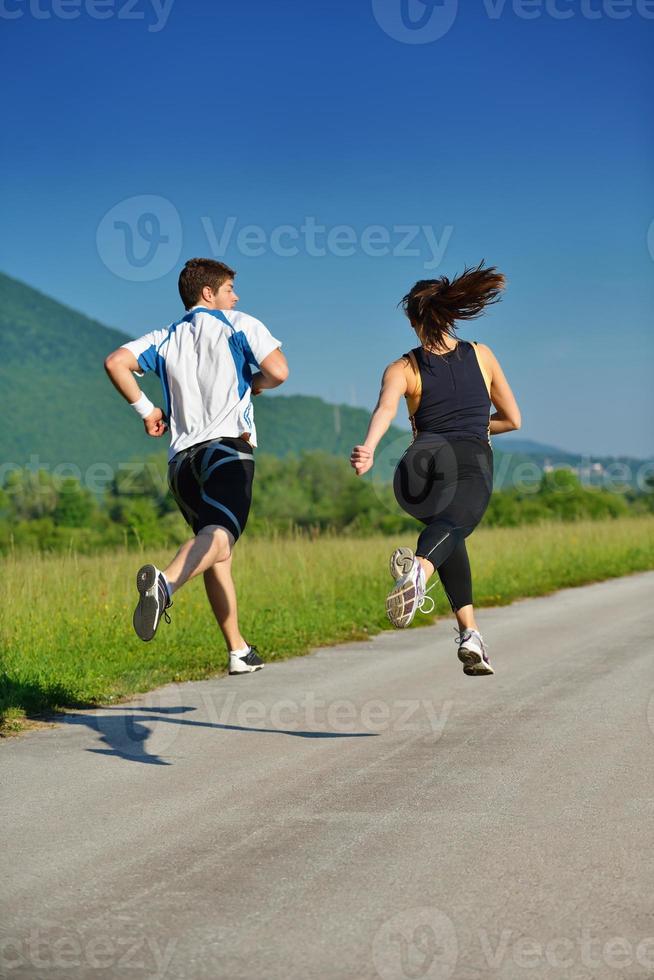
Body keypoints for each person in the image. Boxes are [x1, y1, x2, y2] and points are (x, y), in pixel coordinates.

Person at [104, 258, 288, 675]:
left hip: (181, 465)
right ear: (209, 293)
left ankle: (238, 649)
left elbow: (115, 361)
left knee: (213, 550)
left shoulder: (165, 337)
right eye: (229, 289)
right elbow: (279, 371)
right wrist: (257, 383)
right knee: (219, 540)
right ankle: (165, 583)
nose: (235, 297)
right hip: (226, 451)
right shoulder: (237, 322)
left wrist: (147, 410)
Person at [350, 262, 521, 676]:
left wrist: (369, 449)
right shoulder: (482, 355)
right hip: (466, 462)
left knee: (449, 532)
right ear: (452, 314)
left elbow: (385, 409)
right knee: (451, 529)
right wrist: (476, 426)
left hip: (414, 472)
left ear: (413, 321)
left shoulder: (402, 368)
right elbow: (512, 419)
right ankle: (418, 574)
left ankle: (470, 635)